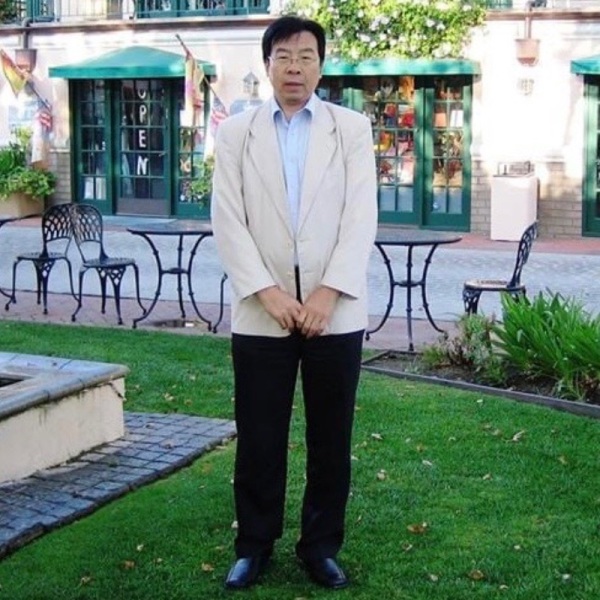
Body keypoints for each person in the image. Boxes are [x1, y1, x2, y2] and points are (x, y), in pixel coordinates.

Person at [211, 14, 378, 591]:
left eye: (306, 56)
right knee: (259, 438)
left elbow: (360, 217)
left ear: (321, 66)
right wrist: (270, 294)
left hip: (337, 314)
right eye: (283, 56)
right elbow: (228, 221)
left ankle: (320, 547)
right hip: (262, 313)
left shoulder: (351, 129)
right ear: (267, 65)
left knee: (331, 440)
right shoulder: (237, 133)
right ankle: (254, 546)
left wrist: (327, 293)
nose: (294, 67)